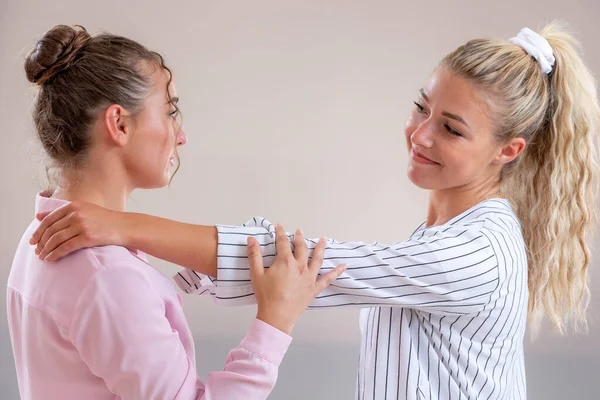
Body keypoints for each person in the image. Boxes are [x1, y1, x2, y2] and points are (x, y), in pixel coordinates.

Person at [31, 22, 600, 400]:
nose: (420, 135)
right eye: (422, 108)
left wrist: (121, 226)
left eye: (451, 129)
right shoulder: (437, 238)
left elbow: (303, 270)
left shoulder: (478, 253)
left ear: (508, 151)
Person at [7, 24, 346, 400]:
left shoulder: (36, 237)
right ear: (119, 124)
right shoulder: (108, 278)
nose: (181, 135)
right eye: (170, 112)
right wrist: (275, 322)